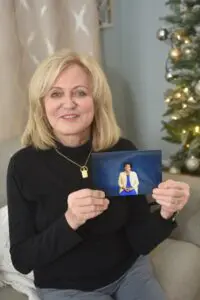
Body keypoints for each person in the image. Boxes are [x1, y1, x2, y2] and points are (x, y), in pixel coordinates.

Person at [7, 48, 190, 300]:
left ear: (96, 101)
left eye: (80, 93)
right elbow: (22, 259)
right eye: (56, 94)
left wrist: (167, 212)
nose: (68, 103)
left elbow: (140, 241)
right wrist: (70, 220)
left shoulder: (122, 151)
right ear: (41, 105)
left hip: (129, 273)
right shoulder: (22, 166)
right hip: (66, 288)